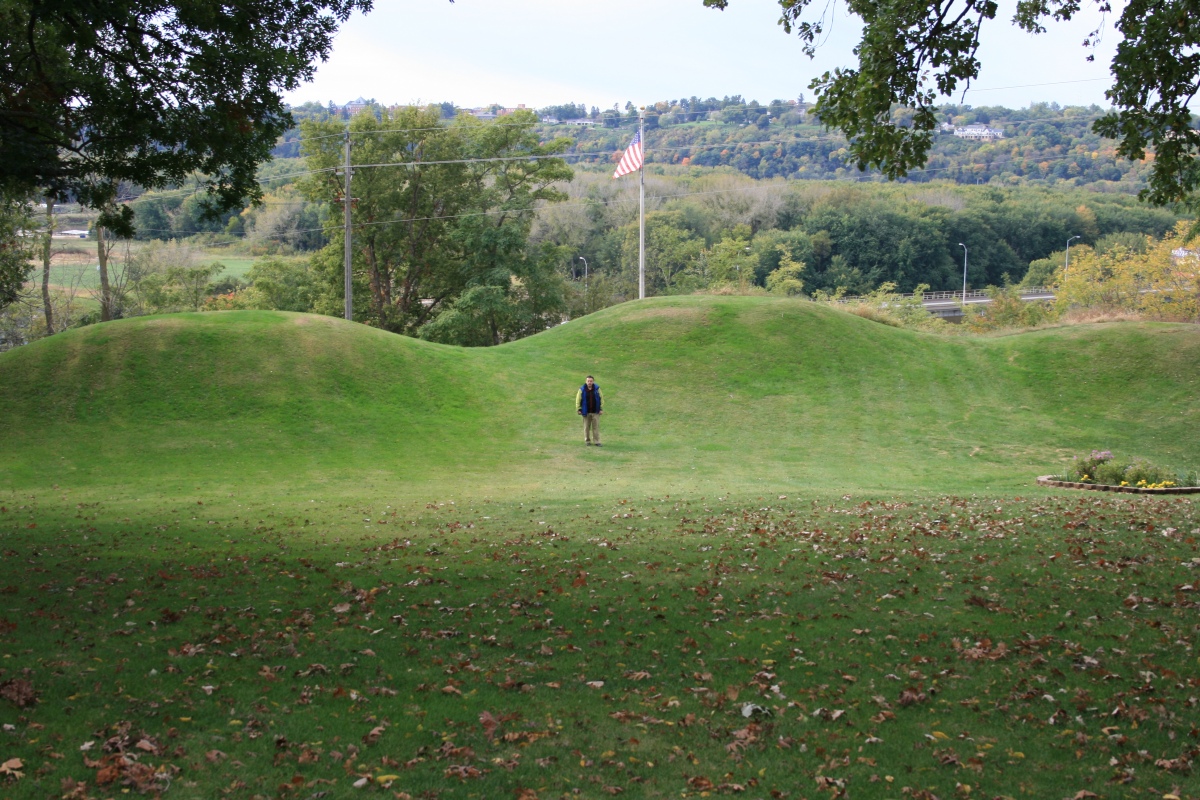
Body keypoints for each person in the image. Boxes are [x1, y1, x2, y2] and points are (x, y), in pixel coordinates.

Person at [576, 375, 603, 446]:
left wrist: (601, 409)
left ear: (593, 381)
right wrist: (578, 409)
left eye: (591, 381)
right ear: (586, 381)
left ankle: (597, 441)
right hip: (586, 412)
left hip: (595, 412)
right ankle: (587, 441)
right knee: (586, 428)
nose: (589, 382)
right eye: (588, 381)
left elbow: (601, 399)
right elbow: (578, 400)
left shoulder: (597, 389)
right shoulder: (582, 389)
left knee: (596, 427)